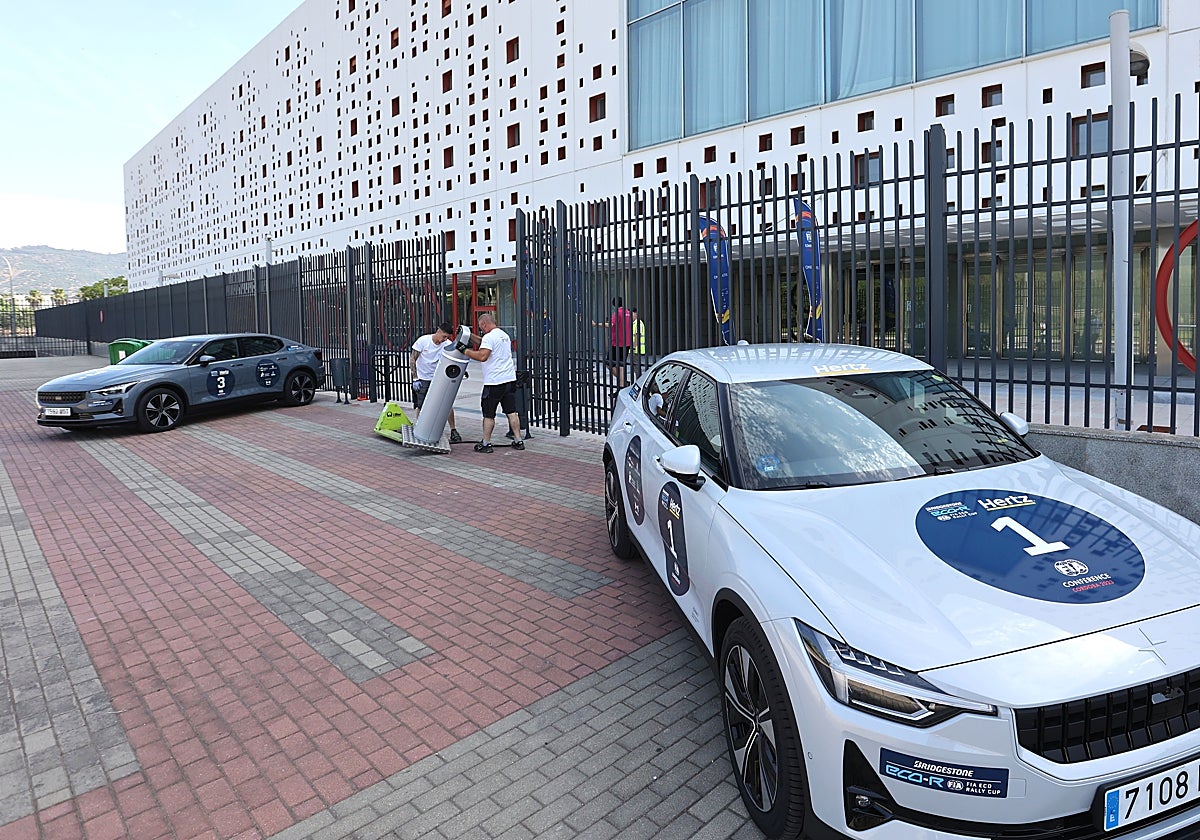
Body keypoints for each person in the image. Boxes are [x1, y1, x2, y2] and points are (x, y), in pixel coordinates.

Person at [460, 313, 524, 452]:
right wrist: (469, 335)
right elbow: (484, 342)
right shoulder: (503, 335)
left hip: (494, 383)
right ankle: (518, 440)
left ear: (483, 324)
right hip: (509, 380)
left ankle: (486, 443)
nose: (481, 329)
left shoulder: (489, 338)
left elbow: (483, 356)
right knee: (512, 412)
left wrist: (466, 351)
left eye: (481, 327)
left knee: (489, 414)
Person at [410, 322, 462, 443]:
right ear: (438, 331)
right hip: (423, 378)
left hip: (439, 379)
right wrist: (415, 378)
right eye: (443, 336)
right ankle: (421, 429)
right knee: (421, 405)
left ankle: (453, 430)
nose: (444, 339)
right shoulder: (423, 341)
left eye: (447, 337)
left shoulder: (447, 345)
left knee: (446, 404)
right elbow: (413, 359)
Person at [592, 296, 632, 387]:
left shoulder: (618, 313)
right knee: (621, 365)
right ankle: (622, 385)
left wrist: (596, 324)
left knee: (608, 363)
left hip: (617, 343)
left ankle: (623, 382)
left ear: (614, 304)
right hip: (627, 343)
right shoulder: (628, 313)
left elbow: (610, 324)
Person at [630, 306, 646, 378]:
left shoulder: (638, 323)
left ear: (635, 314)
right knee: (635, 366)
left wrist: (634, 347)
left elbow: (637, 335)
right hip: (635, 349)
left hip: (636, 349)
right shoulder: (634, 323)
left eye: (632, 314)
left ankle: (639, 381)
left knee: (636, 367)